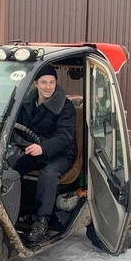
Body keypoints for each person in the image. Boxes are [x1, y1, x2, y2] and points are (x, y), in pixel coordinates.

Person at [13, 64, 77, 243]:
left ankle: (42, 220)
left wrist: (43, 147)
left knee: (48, 174)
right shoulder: (26, 102)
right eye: (44, 82)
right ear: (36, 84)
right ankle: (17, 210)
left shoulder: (65, 106)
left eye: (52, 82)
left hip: (62, 153)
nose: (48, 86)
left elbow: (65, 136)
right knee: (13, 167)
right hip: (36, 150)